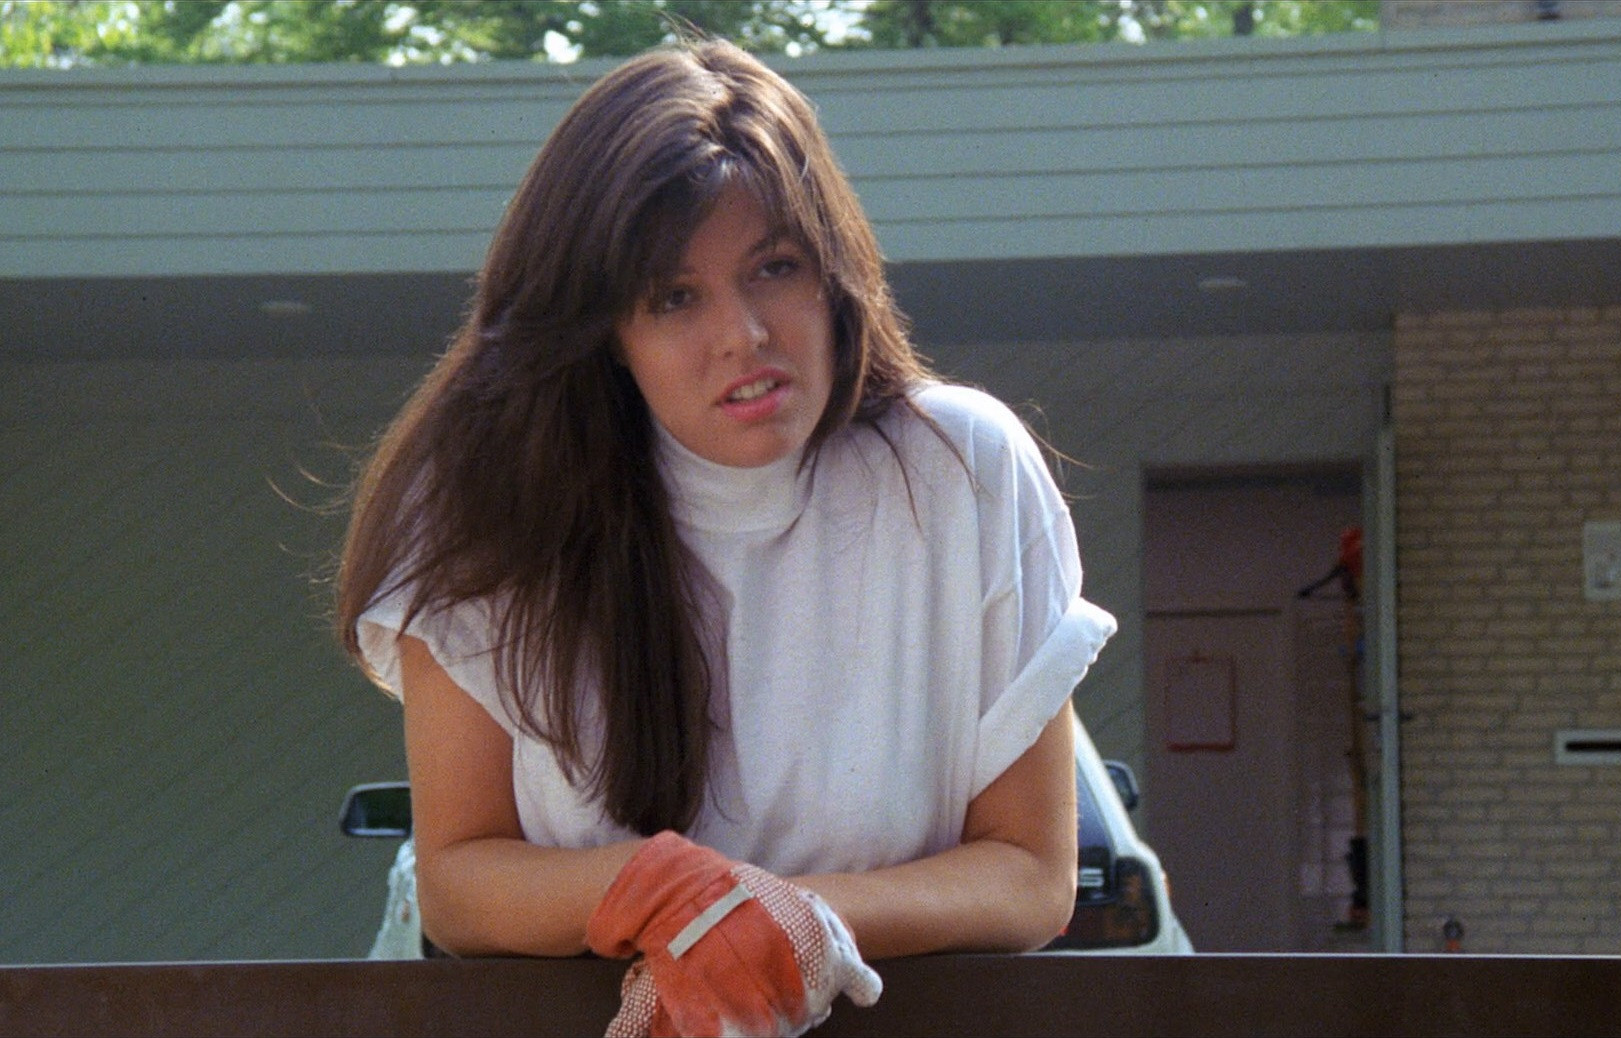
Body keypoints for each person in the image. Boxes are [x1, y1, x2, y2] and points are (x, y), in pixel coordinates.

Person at [335, 37, 1115, 1037]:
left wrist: (780, 927)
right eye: (674, 297)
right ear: (603, 333)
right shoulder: (486, 497)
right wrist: (662, 892)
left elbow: (1031, 875)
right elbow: (458, 879)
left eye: (774, 268)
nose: (743, 332)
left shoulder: (963, 468)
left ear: (834, 273)